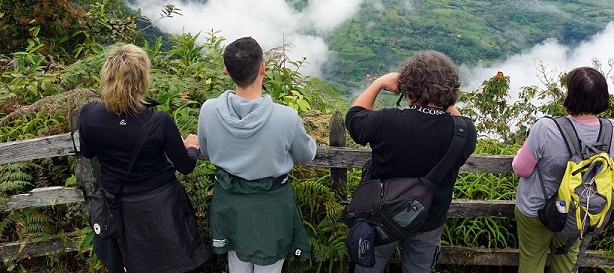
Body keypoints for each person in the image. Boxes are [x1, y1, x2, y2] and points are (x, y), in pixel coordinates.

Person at [78, 44, 207, 273]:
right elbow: (185, 166)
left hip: (118, 207)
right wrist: (192, 147)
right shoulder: (158, 121)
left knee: (130, 264)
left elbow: (87, 152)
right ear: (143, 80)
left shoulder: (89, 114)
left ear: (106, 76)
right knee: (171, 264)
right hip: (162, 207)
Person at [345, 50, 477, 273]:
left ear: (407, 90)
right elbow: (460, 120)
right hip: (429, 218)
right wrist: (444, 101)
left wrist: (377, 84)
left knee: (369, 268)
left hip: (381, 216)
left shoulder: (387, 122)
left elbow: (354, 117)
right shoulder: (464, 132)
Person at [197, 36, 317, 273]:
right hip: (270, 206)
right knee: (269, 266)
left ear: (227, 72)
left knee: (236, 262)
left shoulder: (209, 110)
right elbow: (306, 155)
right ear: (263, 68)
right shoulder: (286, 117)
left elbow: (208, 151)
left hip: (229, 201)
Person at [512, 66, 614, 273]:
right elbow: (609, 171)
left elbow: (521, 169)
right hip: (581, 211)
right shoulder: (613, 130)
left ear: (570, 94)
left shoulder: (546, 128)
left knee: (531, 262)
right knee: (566, 262)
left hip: (537, 208)